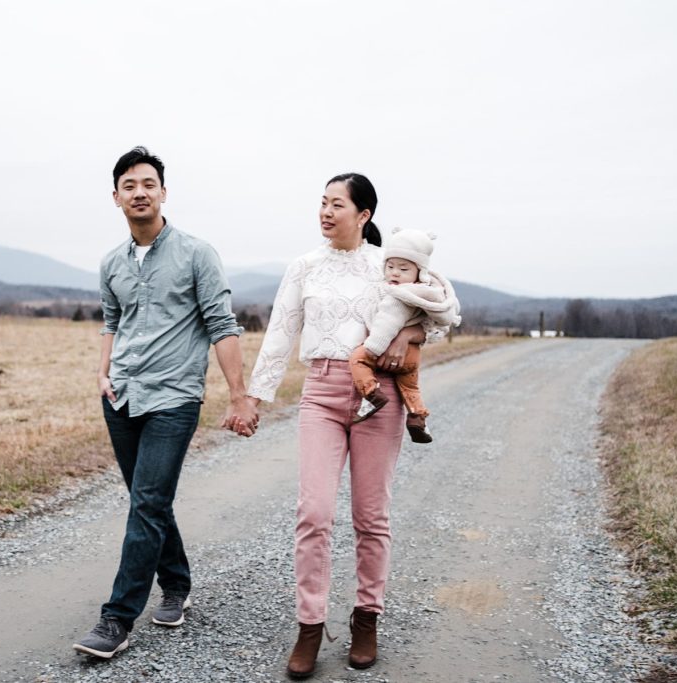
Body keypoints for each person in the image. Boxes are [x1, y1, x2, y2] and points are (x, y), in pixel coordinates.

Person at [238, 173, 449, 679]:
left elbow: (445, 316)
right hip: (322, 392)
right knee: (313, 512)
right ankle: (310, 625)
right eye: (322, 203)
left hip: (380, 393)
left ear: (364, 215)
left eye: (337, 204)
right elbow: (282, 330)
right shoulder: (304, 266)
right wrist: (254, 397)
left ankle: (366, 618)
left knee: (371, 516)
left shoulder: (392, 266)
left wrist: (413, 333)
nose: (326, 212)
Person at [72, 146, 258, 659]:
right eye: (129, 185)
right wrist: (102, 372)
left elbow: (222, 326)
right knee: (146, 501)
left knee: (149, 503)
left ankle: (116, 620)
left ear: (163, 192)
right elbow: (113, 321)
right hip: (122, 396)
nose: (139, 192)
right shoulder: (111, 262)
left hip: (174, 398)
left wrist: (239, 397)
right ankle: (176, 583)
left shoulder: (198, 254)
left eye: (148, 183)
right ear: (116, 197)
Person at [348, 227, 461, 443]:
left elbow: (386, 324)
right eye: (390, 267)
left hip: (385, 349)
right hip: (412, 356)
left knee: (357, 360)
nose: (395, 273)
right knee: (410, 386)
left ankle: (371, 395)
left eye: (403, 269)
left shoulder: (399, 295)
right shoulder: (429, 293)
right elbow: (442, 318)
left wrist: (373, 349)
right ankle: (418, 417)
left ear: (420, 272)